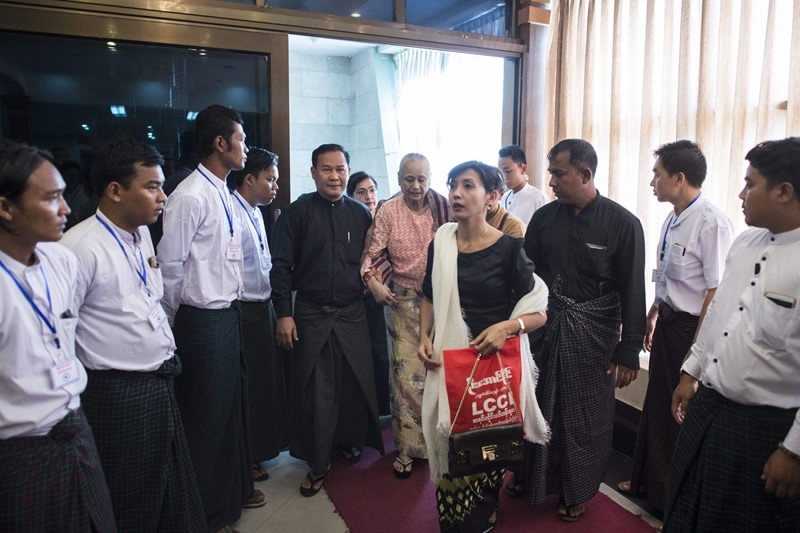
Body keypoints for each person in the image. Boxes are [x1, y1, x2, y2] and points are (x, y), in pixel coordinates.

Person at [60, 136, 206, 532]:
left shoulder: (141, 234)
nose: (163, 197)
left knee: (168, 488)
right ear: (115, 190)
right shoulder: (78, 249)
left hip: (157, 380)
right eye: (152, 187)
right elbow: (62, 338)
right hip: (116, 391)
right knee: (130, 497)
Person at [664, 137, 800, 532]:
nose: (741, 194)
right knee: (686, 512)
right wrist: (691, 372)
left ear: (784, 192)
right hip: (711, 407)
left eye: (750, 184)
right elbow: (719, 315)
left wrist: (794, 450)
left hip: (768, 427)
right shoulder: (745, 243)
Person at [418, 160, 550, 533]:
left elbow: (539, 311)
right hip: (449, 363)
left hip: (490, 367)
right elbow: (429, 295)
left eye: (468, 185)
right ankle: (455, 522)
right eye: (452, 185)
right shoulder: (442, 242)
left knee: (485, 448)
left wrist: (507, 328)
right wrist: (424, 336)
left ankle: (480, 517)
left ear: (492, 197)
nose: (456, 193)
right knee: (450, 447)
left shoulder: (508, 249)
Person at [521, 139, 646, 521]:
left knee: (584, 415)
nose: (551, 182)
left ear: (585, 174)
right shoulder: (544, 219)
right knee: (535, 404)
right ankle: (528, 476)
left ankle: (575, 490)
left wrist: (629, 349)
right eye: (551, 173)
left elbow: (633, 289)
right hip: (544, 330)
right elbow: (526, 278)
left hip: (594, 338)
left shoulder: (623, 224)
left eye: (558, 174)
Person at [157, 104, 265, 533]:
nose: (246, 147)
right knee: (205, 420)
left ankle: (229, 498)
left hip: (227, 315)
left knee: (230, 413)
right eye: (241, 139)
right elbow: (170, 268)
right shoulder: (189, 196)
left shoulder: (222, 190)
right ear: (220, 143)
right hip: (200, 321)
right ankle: (202, 515)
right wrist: (171, 323)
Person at [0, 139, 116, 532]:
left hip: (74, 431)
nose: (66, 209)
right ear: (6, 208)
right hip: (20, 453)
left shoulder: (60, 259)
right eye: (51, 199)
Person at [617, 140, 734, 516]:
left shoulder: (712, 222)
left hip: (690, 329)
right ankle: (647, 482)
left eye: (657, 175)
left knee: (677, 414)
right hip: (668, 321)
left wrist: (696, 348)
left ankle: (672, 500)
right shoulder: (673, 217)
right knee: (656, 405)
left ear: (679, 178)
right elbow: (666, 273)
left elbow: (715, 291)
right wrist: (653, 311)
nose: (652, 182)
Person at [271, 143, 384, 497]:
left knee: (354, 382)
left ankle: (350, 441)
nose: (335, 176)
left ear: (347, 171)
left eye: (340, 169)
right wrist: (284, 314)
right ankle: (319, 462)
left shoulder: (361, 213)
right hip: (311, 312)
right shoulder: (297, 212)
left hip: (352, 312)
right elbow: (281, 266)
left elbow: (372, 261)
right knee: (319, 390)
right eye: (327, 169)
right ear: (313, 172)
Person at [361, 153, 450, 479]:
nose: (415, 185)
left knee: (438, 373)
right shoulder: (389, 210)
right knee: (405, 378)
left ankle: (438, 443)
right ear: (399, 180)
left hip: (439, 301)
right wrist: (373, 282)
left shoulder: (443, 207)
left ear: (429, 179)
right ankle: (408, 449)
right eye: (409, 179)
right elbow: (373, 254)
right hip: (401, 301)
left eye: (421, 179)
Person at [229, 147, 288, 483]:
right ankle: (246, 457)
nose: (275, 187)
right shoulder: (232, 213)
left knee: (265, 384)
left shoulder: (255, 211)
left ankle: (261, 450)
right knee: (249, 386)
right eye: (270, 179)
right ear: (249, 179)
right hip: (243, 308)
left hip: (262, 304)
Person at [347, 170, 391, 416]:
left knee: (384, 353)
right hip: (360, 298)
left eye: (372, 190)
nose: (369, 196)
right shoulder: (352, 223)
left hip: (388, 297)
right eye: (361, 192)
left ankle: (386, 408)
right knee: (368, 353)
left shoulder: (386, 219)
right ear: (351, 196)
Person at [498, 145, 548, 226]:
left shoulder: (539, 199)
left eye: (508, 171)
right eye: (500, 172)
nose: (504, 177)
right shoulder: (505, 197)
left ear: (523, 169)